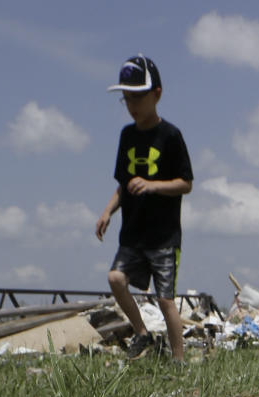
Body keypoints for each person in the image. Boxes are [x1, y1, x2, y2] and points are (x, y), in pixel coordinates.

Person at [96, 55, 193, 361]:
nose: (132, 104)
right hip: (133, 234)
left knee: (166, 301)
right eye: (127, 99)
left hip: (164, 236)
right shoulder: (127, 136)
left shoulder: (171, 136)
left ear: (158, 94)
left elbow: (186, 183)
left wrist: (153, 186)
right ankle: (142, 333)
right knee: (115, 278)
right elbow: (123, 185)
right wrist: (107, 212)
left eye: (139, 96)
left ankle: (178, 359)